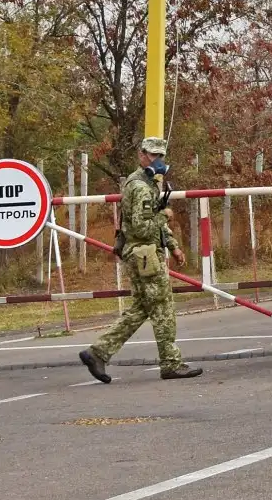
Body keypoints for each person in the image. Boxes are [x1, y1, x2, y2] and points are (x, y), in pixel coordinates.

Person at [79, 137, 203, 383]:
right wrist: (165, 216)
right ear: (142, 155)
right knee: (163, 308)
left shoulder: (148, 184)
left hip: (143, 253)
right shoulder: (141, 187)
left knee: (142, 308)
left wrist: (173, 245)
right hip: (144, 254)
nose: (157, 160)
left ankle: (98, 352)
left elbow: (152, 221)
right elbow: (142, 227)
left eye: (160, 156)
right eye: (152, 155)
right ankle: (170, 363)